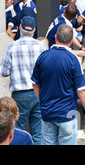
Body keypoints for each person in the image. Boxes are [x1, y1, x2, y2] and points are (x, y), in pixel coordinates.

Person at [31, 24, 85, 145]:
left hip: (47, 112)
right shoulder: (73, 59)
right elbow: (81, 90)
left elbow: (35, 83)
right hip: (68, 113)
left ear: (55, 37)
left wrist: (42, 100)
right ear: (71, 41)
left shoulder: (43, 56)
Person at [0, 16, 47, 145]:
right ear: (34, 29)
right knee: (38, 133)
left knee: (16, 132)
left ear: (20, 27)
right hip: (38, 92)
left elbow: (3, 72)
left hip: (20, 95)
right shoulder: (42, 46)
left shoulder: (12, 47)